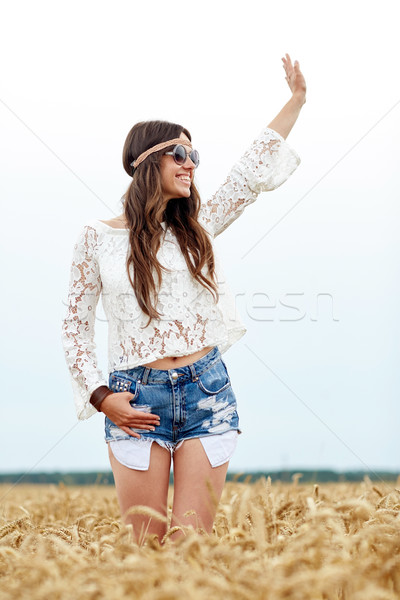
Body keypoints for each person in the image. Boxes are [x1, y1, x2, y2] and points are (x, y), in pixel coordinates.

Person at [61, 53, 306, 544]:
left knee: (190, 547)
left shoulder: (199, 229)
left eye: (196, 155)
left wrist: (296, 101)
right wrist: (101, 397)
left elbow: (249, 173)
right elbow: (74, 326)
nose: (191, 164)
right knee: (145, 549)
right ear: (146, 161)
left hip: (207, 391)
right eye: (180, 153)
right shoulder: (95, 237)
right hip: (135, 397)